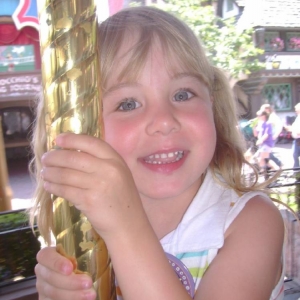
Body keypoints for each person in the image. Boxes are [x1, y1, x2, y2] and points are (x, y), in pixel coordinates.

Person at [30, 6, 285, 300]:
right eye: (127, 104)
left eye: (182, 94)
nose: (164, 121)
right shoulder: (85, 226)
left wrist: (125, 229)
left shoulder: (251, 222)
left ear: (212, 105)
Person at [260, 103, 283, 168]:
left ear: (267, 110)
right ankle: (271, 167)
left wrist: (275, 135)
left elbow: (279, 126)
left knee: (267, 153)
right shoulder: (267, 117)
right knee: (267, 153)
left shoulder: (273, 117)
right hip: (268, 137)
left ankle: (278, 163)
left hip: (271, 136)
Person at [291, 102, 300, 168]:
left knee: (295, 154)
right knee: (295, 154)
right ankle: (297, 171)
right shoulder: (298, 118)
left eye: (297, 110)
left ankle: (297, 172)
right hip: (296, 139)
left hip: (299, 139)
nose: (295, 111)